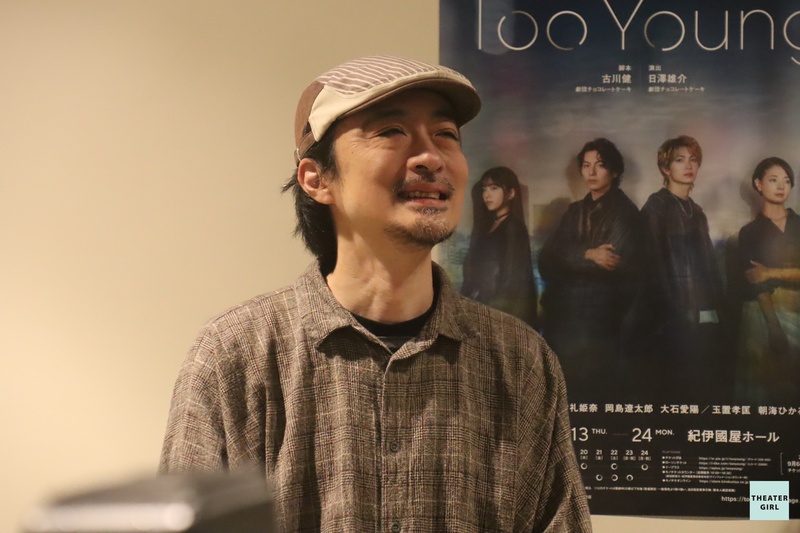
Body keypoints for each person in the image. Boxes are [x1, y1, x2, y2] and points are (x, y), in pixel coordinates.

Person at [159, 56, 591, 532]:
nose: (431, 157)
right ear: (316, 179)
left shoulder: (519, 362)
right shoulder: (236, 356)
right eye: (391, 131)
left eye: (445, 134)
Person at [538, 138, 640, 399]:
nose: (591, 172)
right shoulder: (574, 212)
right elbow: (546, 261)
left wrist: (568, 260)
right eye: (586, 165)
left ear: (614, 171)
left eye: (600, 165)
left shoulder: (626, 213)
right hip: (562, 324)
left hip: (600, 328)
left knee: (594, 398)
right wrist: (588, 254)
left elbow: (609, 267)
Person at [639, 135, 726, 400]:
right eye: (680, 160)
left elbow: (708, 266)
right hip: (670, 320)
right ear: (666, 168)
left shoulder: (696, 211)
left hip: (703, 316)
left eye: (693, 159)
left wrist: (717, 310)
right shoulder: (655, 208)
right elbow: (653, 269)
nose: (688, 165)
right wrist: (674, 314)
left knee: (702, 389)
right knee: (674, 392)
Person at [736, 157, 800, 403]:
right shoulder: (749, 232)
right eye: (773, 180)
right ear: (758, 184)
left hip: (797, 309)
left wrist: (772, 272)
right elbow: (755, 281)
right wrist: (773, 326)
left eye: (786, 181)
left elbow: (764, 274)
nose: (781, 186)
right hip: (763, 315)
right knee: (765, 389)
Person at [461, 166, 538, 327]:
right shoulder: (487, 227)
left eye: (494, 188)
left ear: (511, 193)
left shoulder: (513, 228)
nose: (487, 195)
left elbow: (511, 280)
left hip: (502, 314)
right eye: (484, 189)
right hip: (483, 308)